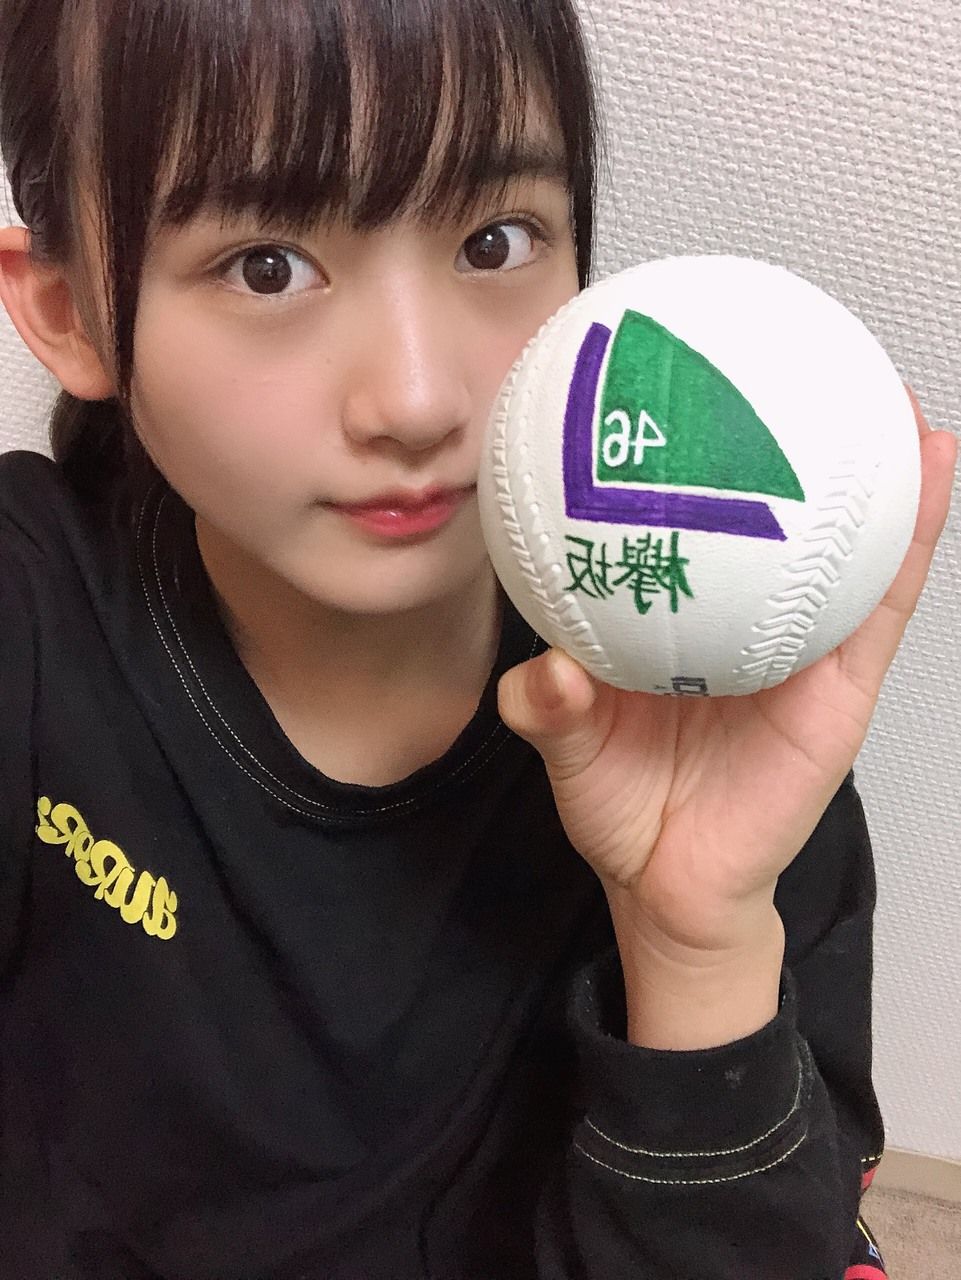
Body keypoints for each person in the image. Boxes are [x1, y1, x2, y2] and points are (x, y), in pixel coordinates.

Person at [0, 0, 954, 1276]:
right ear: (68, 310)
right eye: (267, 266)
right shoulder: (33, 615)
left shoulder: (713, 709)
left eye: (495, 240)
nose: (416, 398)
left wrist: (695, 944)